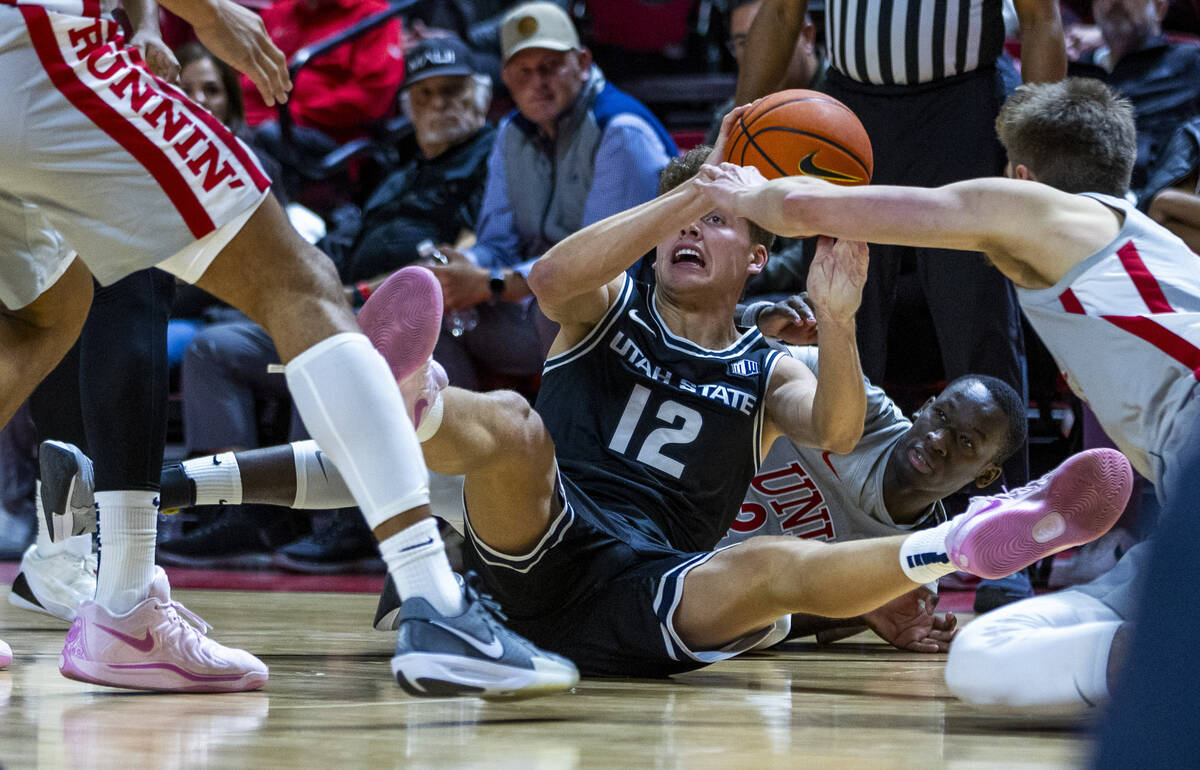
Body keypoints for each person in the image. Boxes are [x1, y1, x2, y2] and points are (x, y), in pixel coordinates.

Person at [353, 133, 1126, 680]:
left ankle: (963, 542)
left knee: (769, 566)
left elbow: (838, 429)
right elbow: (551, 280)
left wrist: (840, 316)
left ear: (758, 258)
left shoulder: (768, 366)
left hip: (653, 585)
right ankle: (406, 397)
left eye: (716, 220)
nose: (690, 226)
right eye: (679, 218)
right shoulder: (612, 302)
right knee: (513, 426)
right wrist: (696, 189)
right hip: (537, 538)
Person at [0, 0, 574, 698]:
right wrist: (207, 14)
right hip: (40, 51)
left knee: (44, 319)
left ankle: (122, 598)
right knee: (300, 285)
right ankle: (436, 601)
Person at [692, 77, 1195, 710]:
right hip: (1183, 498)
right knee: (986, 660)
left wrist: (746, 185)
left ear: (1019, 175)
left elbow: (805, 210)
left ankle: (1175, 663)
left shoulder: (1040, 211)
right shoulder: (1153, 250)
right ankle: (997, 544)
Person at [160, 36, 497, 572]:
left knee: (319, 347)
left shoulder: (491, 161)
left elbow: (464, 260)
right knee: (213, 348)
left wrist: (355, 296)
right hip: (341, 305)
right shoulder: (399, 171)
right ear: (407, 105)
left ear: (481, 97)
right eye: (425, 93)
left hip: (408, 321)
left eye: (452, 91)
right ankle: (235, 515)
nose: (438, 105)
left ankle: (344, 522)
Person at [736, 0, 1068, 499]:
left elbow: (1041, 19)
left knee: (979, 326)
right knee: (836, 319)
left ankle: (1003, 518)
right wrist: (734, 138)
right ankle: (833, 508)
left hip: (963, 111)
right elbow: (781, 14)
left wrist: (1033, 156)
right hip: (849, 112)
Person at [427, 1, 677, 390]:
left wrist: (492, 282)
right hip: (540, 300)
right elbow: (497, 243)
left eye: (550, 67)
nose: (537, 82)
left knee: (558, 313)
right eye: (524, 71)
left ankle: (570, 443)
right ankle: (470, 438)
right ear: (506, 78)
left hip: (633, 319)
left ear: (581, 62)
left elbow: (598, 270)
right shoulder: (511, 133)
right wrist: (461, 268)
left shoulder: (621, 132)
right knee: (426, 314)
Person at [717, 350, 1028, 650]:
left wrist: (860, 605)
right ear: (924, 406)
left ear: (986, 476)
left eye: (965, 441)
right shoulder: (855, 405)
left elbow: (756, 628)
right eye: (941, 415)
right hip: (672, 503)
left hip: (698, 581)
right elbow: (722, 355)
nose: (937, 440)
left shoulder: (909, 569)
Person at [1068, 0, 1200, 197]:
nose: (1115, 2)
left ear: (1159, 8)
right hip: (1070, 191)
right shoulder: (1074, 68)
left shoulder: (1189, 61)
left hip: (1149, 197)